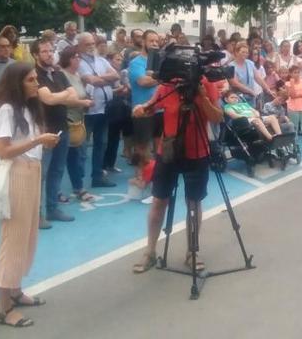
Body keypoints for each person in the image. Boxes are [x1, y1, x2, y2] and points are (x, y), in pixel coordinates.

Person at [0, 61, 60, 328]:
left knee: (28, 236)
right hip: (17, 173)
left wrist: (41, 140)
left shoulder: (28, 108)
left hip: (32, 171)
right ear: (17, 83)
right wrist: (38, 141)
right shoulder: (7, 110)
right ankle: (3, 307)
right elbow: (4, 150)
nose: (37, 84)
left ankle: (15, 290)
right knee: (13, 239)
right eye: (31, 80)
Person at [131, 73, 223, 274]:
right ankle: (150, 251)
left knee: (193, 203)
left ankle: (192, 251)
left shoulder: (205, 83)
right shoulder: (168, 84)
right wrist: (141, 109)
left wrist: (202, 96)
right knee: (158, 201)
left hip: (198, 151)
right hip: (169, 152)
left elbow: (217, 117)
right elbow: (152, 105)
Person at [32, 39, 92, 224]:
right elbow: (47, 99)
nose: (50, 54)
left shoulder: (58, 73)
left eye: (51, 50)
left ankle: (52, 209)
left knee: (57, 171)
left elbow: (72, 96)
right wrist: (62, 96)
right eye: (44, 51)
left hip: (62, 128)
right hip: (44, 130)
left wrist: (58, 96)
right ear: (35, 55)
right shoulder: (34, 75)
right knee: (40, 174)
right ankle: (37, 215)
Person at [76, 33, 119, 188]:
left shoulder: (100, 60)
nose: (91, 46)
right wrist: (105, 79)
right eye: (87, 44)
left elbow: (116, 75)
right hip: (88, 111)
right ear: (79, 45)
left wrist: (100, 79)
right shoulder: (78, 62)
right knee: (82, 146)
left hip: (104, 108)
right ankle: (78, 182)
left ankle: (97, 176)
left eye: (92, 43)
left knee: (101, 143)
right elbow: (90, 80)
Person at [58, 47, 98, 205]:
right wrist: (83, 102)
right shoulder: (61, 75)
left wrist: (87, 101)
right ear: (67, 58)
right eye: (75, 57)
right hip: (65, 120)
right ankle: (56, 191)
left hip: (78, 120)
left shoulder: (77, 75)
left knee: (77, 157)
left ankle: (78, 187)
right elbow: (64, 99)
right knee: (60, 159)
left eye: (78, 57)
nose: (78, 60)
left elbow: (81, 94)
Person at [129, 30, 161, 167]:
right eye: (151, 41)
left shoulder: (161, 62)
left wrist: (155, 78)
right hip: (143, 109)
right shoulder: (136, 63)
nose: (154, 44)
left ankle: (158, 177)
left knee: (160, 147)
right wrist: (162, 78)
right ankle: (141, 177)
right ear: (143, 42)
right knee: (143, 147)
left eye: (156, 41)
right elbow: (143, 82)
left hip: (160, 109)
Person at [228, 42, 271, 107]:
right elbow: (235, 83)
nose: (245, 54)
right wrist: (250, 91)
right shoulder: (231, 66)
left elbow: (258, 78)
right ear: (236, 52)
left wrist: (267, 89)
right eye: (243, 52)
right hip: (238, 98)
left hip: (251, 97)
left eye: (246, 52)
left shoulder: (250, 63)